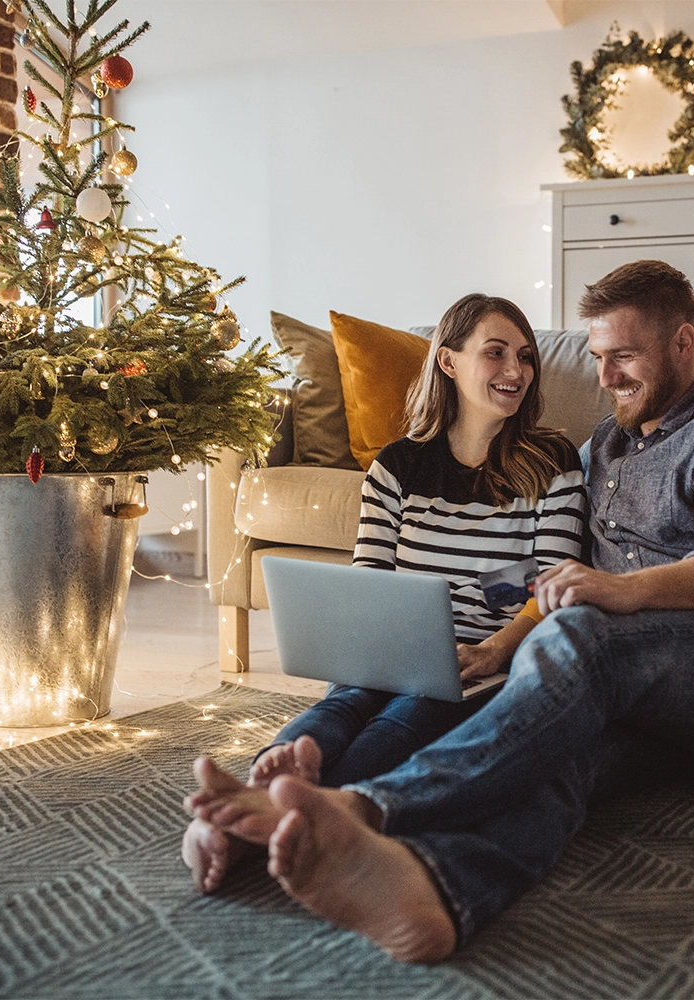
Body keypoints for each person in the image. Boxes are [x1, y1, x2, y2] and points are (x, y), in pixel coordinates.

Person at [184, 260, 694, 965]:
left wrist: (615, 592)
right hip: (640, 694)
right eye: (599, 358)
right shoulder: (606, 446)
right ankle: (431, 891)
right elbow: (528, 538)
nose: (606, 378)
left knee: (580, 630)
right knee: (552, 756)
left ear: (682, 345)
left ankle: (366, 805)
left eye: (625, 357)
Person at [182, 292, 587, 892]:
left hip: (482, 659)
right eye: (495, 353)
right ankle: (260, 799)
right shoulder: (397, 466)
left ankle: (254, 825)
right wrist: (359, 648)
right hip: (392, 647)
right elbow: (369, 576)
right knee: (339, 706)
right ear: (447, 362)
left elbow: (552, 584)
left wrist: (495, 651)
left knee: (400, 722)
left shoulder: (554, 462)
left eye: (525, 357)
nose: (515, 371)